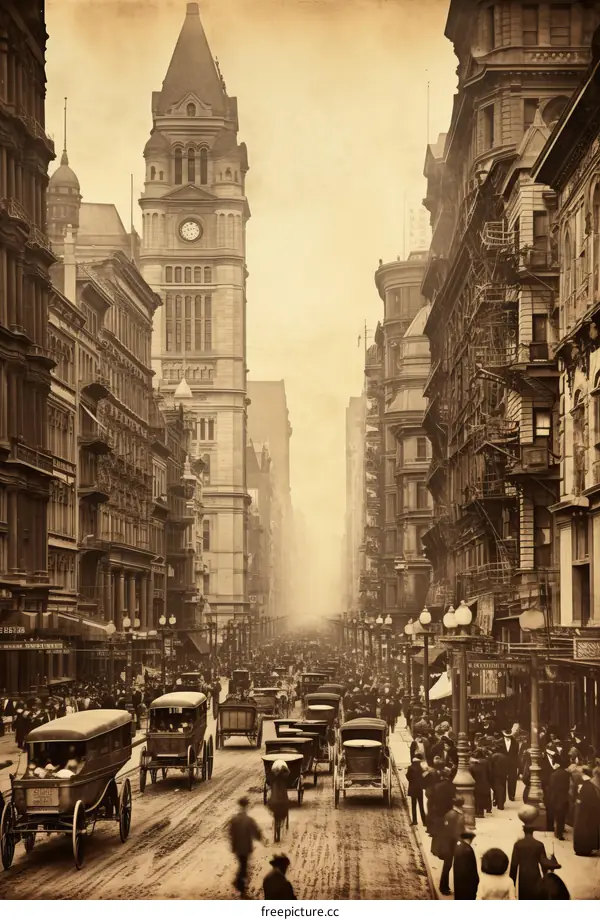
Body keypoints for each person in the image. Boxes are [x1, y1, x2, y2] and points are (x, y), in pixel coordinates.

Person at [228, 796, 263, 899]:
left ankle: (238, 884)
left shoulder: (234, 819)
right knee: (243, 867)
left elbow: (230, 832)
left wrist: (233, 843)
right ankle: (240, 886)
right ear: (246, 806)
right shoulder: (249, 820)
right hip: (246, 847)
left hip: (237, 847)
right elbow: (255, 832)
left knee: (242, 865)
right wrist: (261, 838)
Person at [509, 808, 547, 899]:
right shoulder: (539, 845)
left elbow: (514, 866)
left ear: (524, 831)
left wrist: (512, 884)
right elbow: (544, 864)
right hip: (535, 874)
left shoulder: (518, 845)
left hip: (523, 876)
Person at [436, 795, 465, 896]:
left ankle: (444, 886)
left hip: (447, 843)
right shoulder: (460, 816)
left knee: (447, 866)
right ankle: (444, 887)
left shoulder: (449, 814)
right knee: (453, 866)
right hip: (453, 844)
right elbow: (458, 833)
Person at [572, 766, 600, 856]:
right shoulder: (588, 784)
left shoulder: (587, 784)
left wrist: (579, 801)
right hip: (585, 813)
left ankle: (583, 849)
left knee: (583, 830)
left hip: (584, 813)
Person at [545, 756, 570, 840]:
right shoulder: (566, 774)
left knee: (553, 814)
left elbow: (551, 786)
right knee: (561, 816)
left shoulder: (553, 774)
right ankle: (560, 832)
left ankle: (553, 829)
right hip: (563, 797)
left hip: (554, 796)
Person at [452, 830, 479, 900]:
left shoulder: (459, 845)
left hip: (459, 881)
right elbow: (470, 869)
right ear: (470, 839)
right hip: (467, 884)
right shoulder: (468, 850)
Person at [406, 755, 427, 826]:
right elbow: (424, 777)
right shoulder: (421, 768)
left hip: (412, 788)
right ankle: (424, 821)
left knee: (413, 805)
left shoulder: (410, 767)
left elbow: (407, 776)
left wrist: (411, 781)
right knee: (421, 805)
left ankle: (414, 821)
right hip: (419, 788)